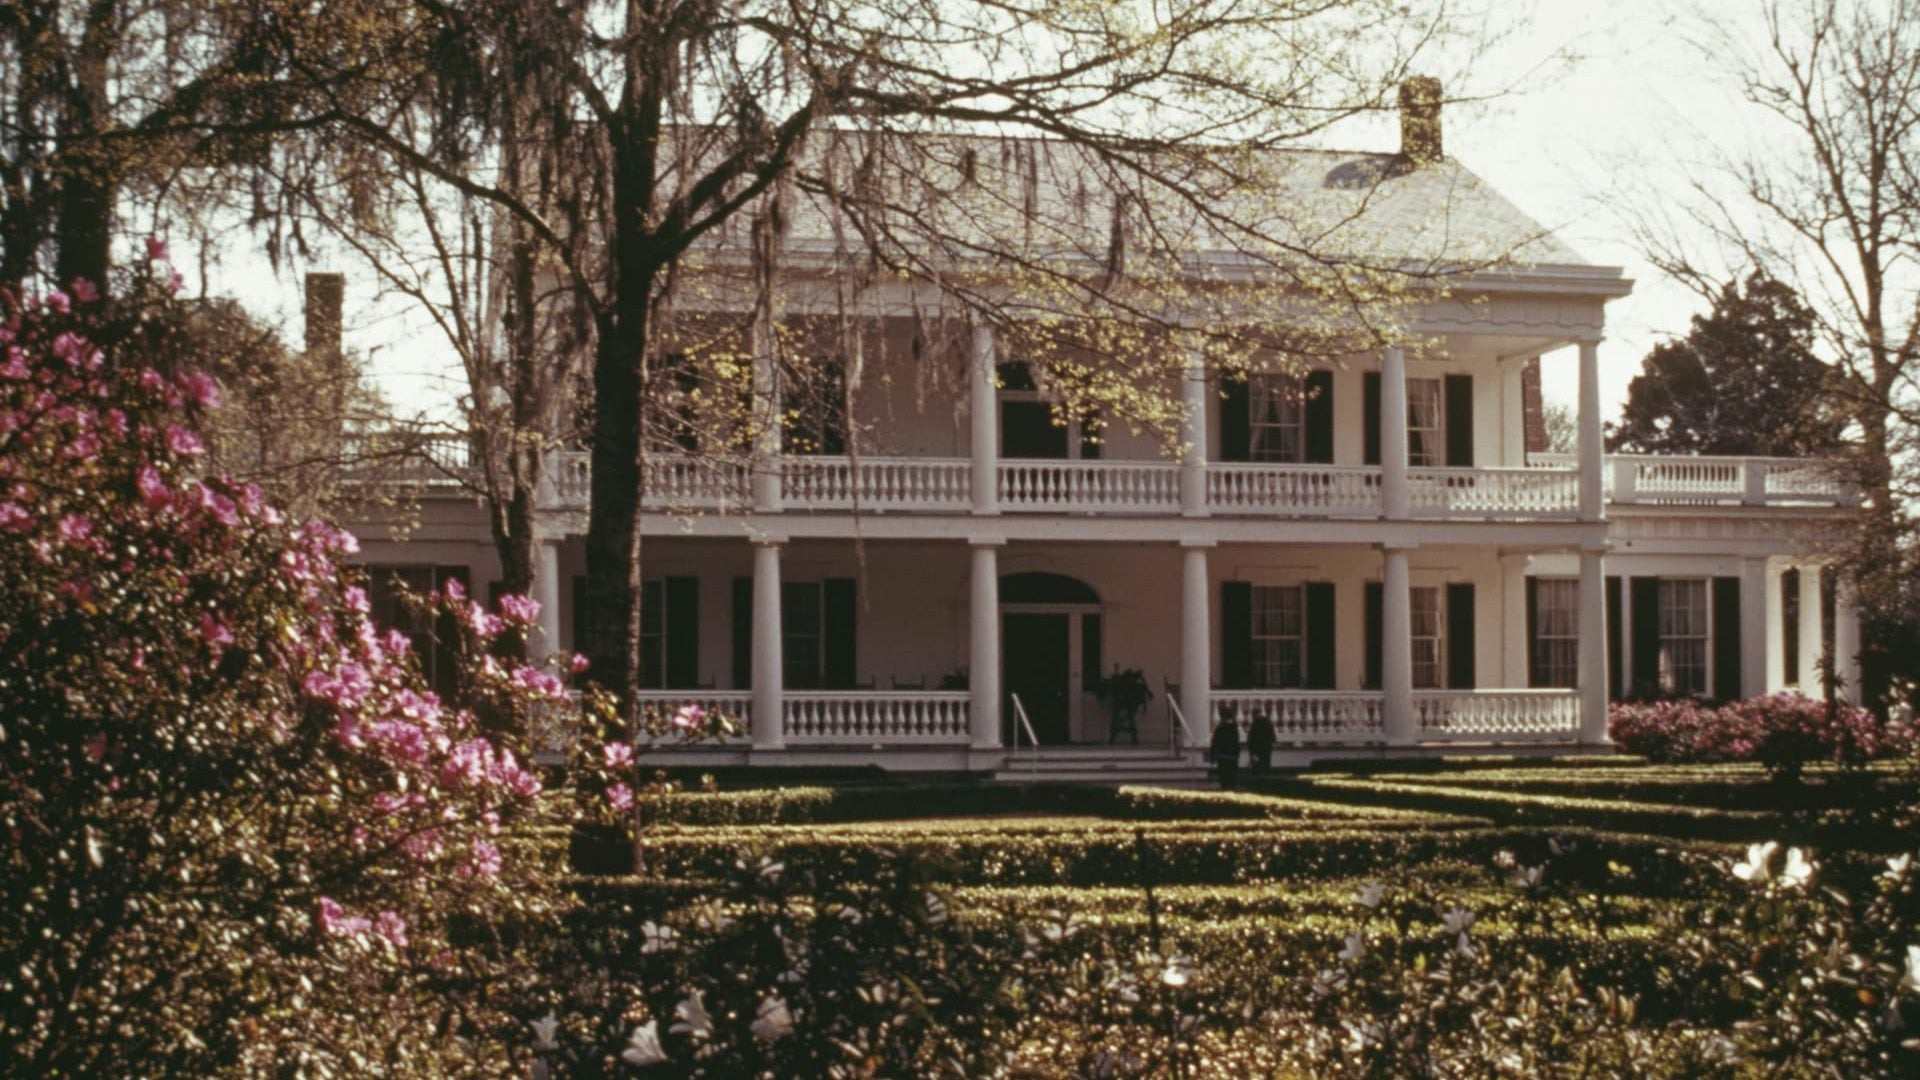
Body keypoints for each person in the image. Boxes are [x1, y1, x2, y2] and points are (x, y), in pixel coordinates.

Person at [1211, 708, 1242, 790]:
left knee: (1224, 780)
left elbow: (1214, 742)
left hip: (1222, 757)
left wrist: (1212, 756)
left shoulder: (1220, 728)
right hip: (1232, 757)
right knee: (1232, 779)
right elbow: (1236, 743)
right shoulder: (1234, 728)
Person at [1247, 709, 1275, 777]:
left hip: (1257, 749)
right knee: (1265, 764)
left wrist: (1251, 749)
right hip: (1266, 748)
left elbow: (1252, 737)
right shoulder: (1268, 722)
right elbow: (1272, 736)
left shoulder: (1255, 723)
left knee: (1256, 765)